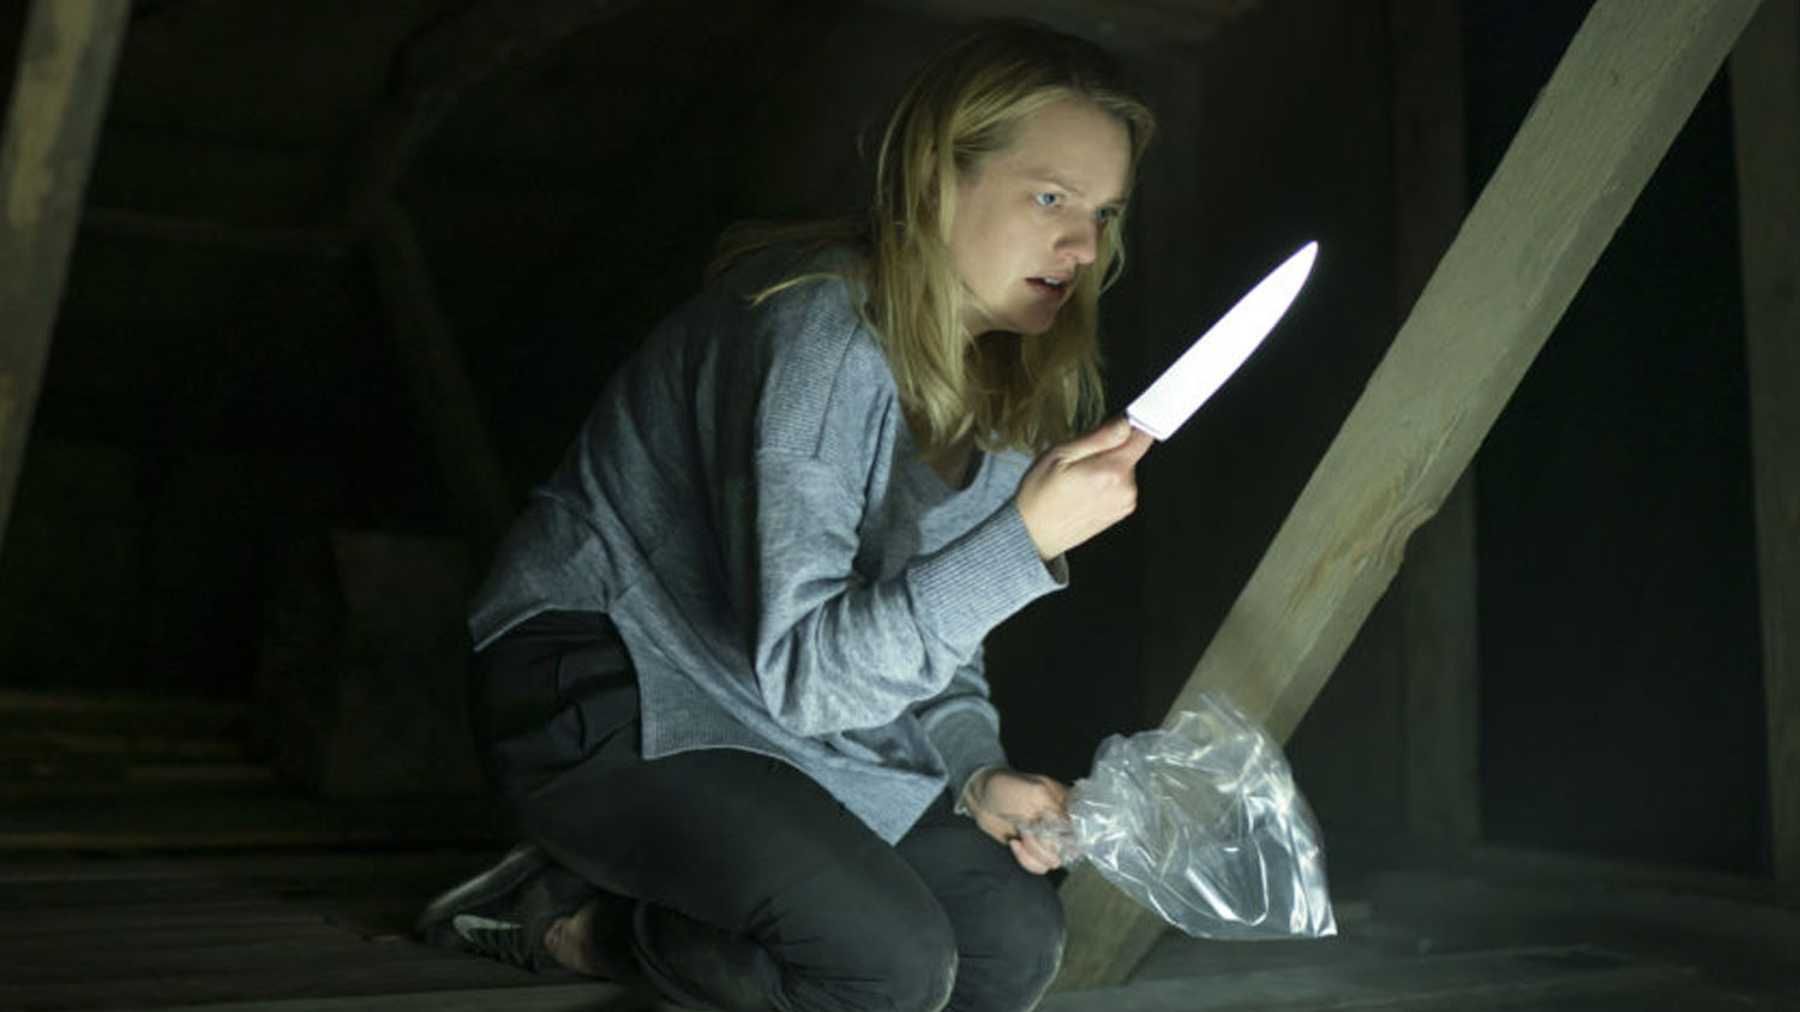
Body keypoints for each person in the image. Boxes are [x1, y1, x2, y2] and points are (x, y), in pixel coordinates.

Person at [416, 20, 1157, 1012]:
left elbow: (936, 644)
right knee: (887, 963)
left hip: (773, 711)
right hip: (608, 684)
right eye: (1051, 197)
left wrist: (975, 773)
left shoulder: (1010, 390)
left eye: (1103, 213)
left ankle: (675, 899)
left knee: (1009, 944)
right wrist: (1023, 542)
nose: (1084, 245)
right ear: (938, 178)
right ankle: (572, 919)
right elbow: (811, 674)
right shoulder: (819, 332)